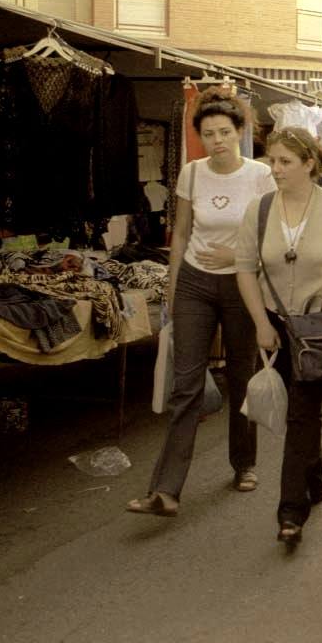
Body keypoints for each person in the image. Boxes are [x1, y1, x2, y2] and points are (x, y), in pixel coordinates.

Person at [127, 87, 275, 519]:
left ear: (240, 132)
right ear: (200, 136)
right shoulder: (191, 173)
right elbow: (183, 234)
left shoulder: (259, 177)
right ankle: (166, 490)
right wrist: (173, 288)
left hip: (241, 284)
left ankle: (244, 464)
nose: (217, 141)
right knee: (185, 385)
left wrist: (237, 257)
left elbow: (271, 235)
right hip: (194, 282)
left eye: (225, 132)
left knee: (241, 377)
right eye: (209, 133)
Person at [235, 126, 322, 545]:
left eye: (285, 161)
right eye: (272, 160)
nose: (275, 169)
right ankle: (315, 475)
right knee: (303, 413)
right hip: (275, 324)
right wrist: (260, 323)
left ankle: (291, 513)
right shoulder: (259, 208)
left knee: (301, 412)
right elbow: (245, 268)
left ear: (310, 163)